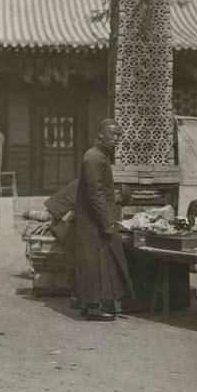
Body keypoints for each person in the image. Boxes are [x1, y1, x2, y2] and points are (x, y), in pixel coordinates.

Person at [64, 119, 134, 321]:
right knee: (95, 266)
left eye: (119, 135)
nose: (116, 139)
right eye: (113, 134)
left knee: (94, 265)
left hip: (93, 221)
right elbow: (95, 194)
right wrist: (107, 221)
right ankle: (94, 308)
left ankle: (90, 304)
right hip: (91, 222)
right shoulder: (94, 158)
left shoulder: (99, 156)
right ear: (101, 134)